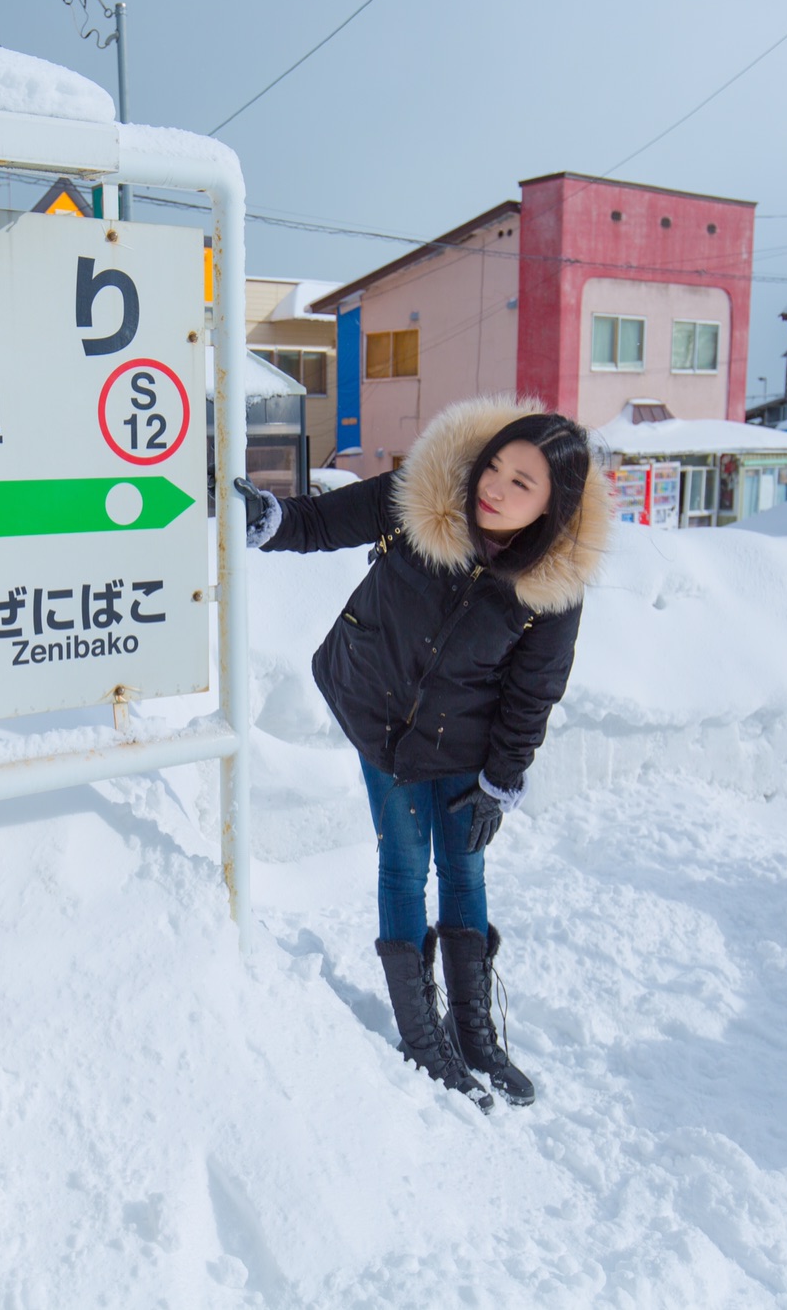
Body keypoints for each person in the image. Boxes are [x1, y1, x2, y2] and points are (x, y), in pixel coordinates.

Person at [236, 397, 610, 1114]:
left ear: (552, 507)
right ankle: (419, 1034)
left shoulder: (551, 588)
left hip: (465, 743)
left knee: (463, 868)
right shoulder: (425, 498)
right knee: (404, 862)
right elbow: (324, 520)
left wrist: (500, 783)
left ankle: (470, 1029)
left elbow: (533, 692)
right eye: (495, 465)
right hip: (379, 715)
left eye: (521, 483)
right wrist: (270, 518)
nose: (494, 487)